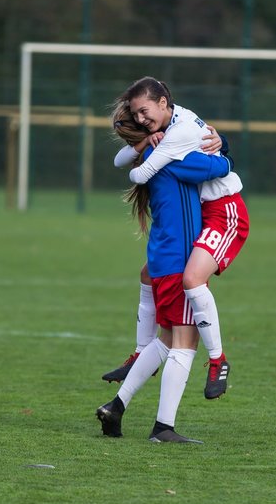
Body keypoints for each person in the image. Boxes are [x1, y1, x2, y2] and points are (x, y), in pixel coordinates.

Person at [96, 90, 235, 443]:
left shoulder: (157, 154)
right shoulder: (171, 158)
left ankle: (116, 406)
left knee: (166, 340)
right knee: (185, 345)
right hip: (177, 262)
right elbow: (218, 165)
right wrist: (220, 144)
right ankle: (163, 428)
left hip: (162, 262)